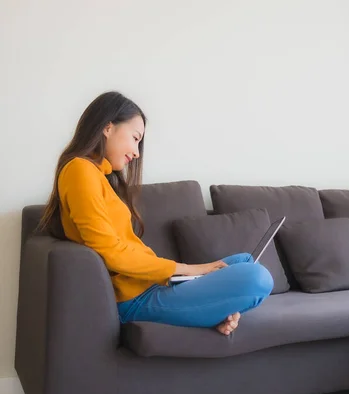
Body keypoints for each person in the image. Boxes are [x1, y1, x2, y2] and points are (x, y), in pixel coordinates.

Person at [38, 91, 274, 336]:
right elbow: (110, 252)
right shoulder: (79, 170)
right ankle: (209, 310)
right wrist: (188, 269)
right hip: (134, 299)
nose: (137, 152)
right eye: (135, 138)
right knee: (257, 277)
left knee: (244, 261)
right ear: (108, 127)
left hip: (148, 285)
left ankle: (212, 313)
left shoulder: (99, 176)